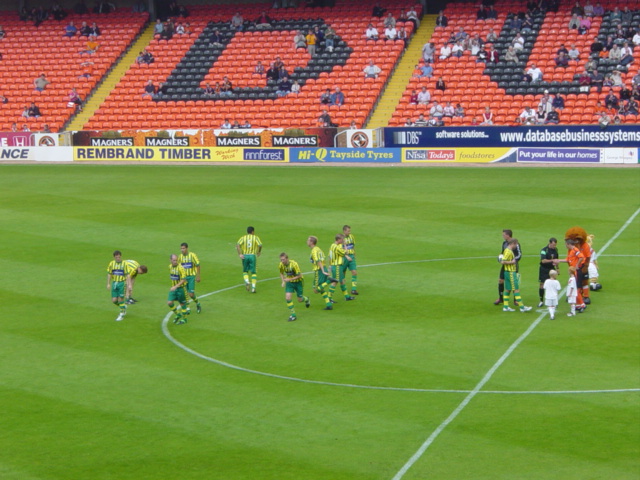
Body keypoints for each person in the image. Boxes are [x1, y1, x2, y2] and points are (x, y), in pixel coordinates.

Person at [500, 238, 532, 312]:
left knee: (507, 289)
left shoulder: (506, 250)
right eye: (516, 244)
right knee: (516, 289)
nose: (516, 246)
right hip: (511, 273)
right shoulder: (508, 251)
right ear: (513, 243)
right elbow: (503, 261)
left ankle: (505, 306)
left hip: (507, 272)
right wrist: (512, 262)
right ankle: (522, 307)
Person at [307, 235, 338, 310]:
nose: (307, 242)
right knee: (321, 288)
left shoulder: (314, 250)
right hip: (322, 269)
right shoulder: (318, 249)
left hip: (319, 271)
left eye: (308, 240)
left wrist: (323, 271)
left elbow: (318, 261)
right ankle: (328, 304)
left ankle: (329, 281)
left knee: (316, 290)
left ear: (312, 242)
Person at [279, 253, 310, 322]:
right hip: (289, 283)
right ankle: (293, 315)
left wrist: (289, 279)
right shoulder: (281, 265)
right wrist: (283, 281)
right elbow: (281, 272)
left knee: (300, 299)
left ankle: (307, 299)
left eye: (283, 259)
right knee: (287, 297)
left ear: (287, 259)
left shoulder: (294, 264)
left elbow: (299, 275)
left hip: (298, 282)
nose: (282, 261)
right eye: (281, 260)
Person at [495, 229, 521, 305]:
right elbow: (503, 253)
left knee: (514, 282)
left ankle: (516, 300)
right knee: (500, 280)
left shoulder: (516, 244)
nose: (503, 236)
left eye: (504, 235)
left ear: (508, 235)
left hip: (513, 266)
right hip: (505, 266)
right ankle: (501, 298)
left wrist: (514, 261)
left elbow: (519, 255)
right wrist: (500, 257)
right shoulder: (504, 243)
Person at [329, 234, 357, 302]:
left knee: (342, 281)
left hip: (335, 266)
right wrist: (345, 245)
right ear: (338, 240)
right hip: (337, 266)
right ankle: (329, 298)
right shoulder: (337, 247)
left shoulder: (332, 245)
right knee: (335, 282)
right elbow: (346, 252)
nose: (343, 241)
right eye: (342, 239)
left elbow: (329, 256)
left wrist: (329, 266)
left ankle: (347, 296)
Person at [236, 226, 262, 293]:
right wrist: (259, 252)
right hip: (252, 256)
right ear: (252, 231)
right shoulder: (255, 237)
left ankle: (247, 281)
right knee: (253, 272)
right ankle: (253, 288)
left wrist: (240, 254)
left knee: (245, 271)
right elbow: (260, 245)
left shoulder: (243, 237)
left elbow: (238, 245)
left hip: (245, 256)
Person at [179, 242, 202, 313]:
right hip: (184, 278)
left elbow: (198, 265)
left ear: (187, 248)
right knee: (185, 293)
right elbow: (179, 267)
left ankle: (198, 303)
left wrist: (198, 276)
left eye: (183, 248)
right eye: (181, 248)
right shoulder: (180, 257)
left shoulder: (192, 255)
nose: (182, 250)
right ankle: (188, 308)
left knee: (191, 294)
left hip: (191, 277)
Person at [106, 250, 128, 321]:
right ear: (114, 257)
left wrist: (128, 284)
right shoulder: (111, 264)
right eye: (116, 257)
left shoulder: (124, 264)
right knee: (114, 300)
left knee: (120, 299)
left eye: (119, 257)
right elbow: (109, 273)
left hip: (122, 283)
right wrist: (108, 283)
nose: (118, 258)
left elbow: (127, 274)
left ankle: (121, 315)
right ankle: (123, 307)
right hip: (114, 283)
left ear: (121, 256)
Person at [168, 254, 189, 325]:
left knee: (182, 304)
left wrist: (176, 286)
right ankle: (178, 314)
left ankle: (185, 319)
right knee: (169, 302)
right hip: (173, 288)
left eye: (176, 260)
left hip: (180, 289)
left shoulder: (181, 268)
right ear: (170, 260)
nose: (175, 262)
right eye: (174, 260)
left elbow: (184, 279)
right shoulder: (170, 267)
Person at [537, 237, 559, 307]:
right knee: (542, 285)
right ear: (549, 243)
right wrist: (552, 261)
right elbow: (543, 260)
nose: (554, 246)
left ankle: (554, 301)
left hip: (552, 269)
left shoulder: (555, 250)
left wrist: (557, 268)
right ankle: (541, 301)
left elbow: (556, 259)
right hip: (544, 269)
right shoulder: (544, 250)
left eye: (555, 245)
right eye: (553, 245)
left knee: (554, 284)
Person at [342, 225, 358, 295]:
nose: (349, 232)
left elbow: (353, 245)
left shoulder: (352, 236)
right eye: (348, 231)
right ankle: (344, 291)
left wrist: (354, 254)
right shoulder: (341, 239)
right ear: (344, 231)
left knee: (354, 272)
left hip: (351, 257)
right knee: (343, 275)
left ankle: (353, 290)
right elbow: (340, 249)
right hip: (344, 258)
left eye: (350, 231)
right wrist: (346, 256)